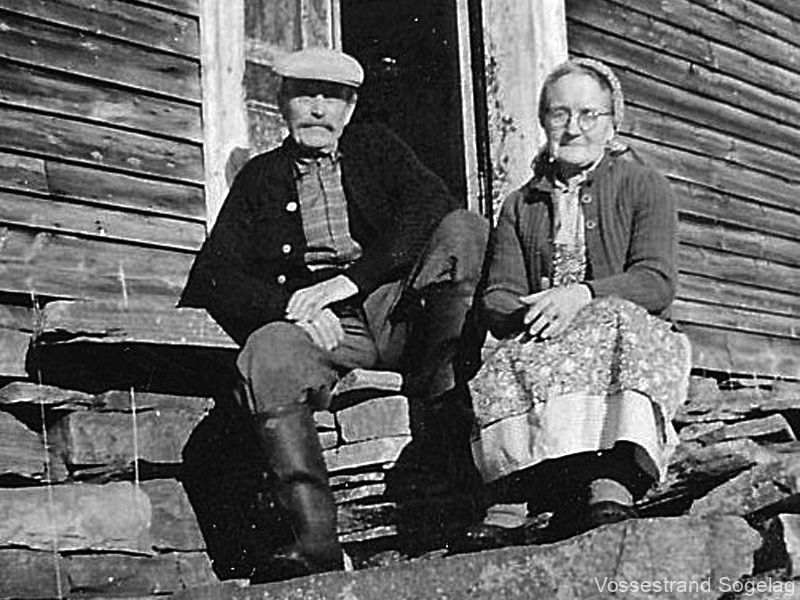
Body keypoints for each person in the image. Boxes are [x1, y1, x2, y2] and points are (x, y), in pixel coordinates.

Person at [179, 48, 488, 579]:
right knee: (268, 352)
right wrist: (289, 308)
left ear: (350, 108)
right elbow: (212, 276)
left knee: (466, 230)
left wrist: (350, 280)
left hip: (396, 311)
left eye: (334, 97)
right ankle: (314, 540)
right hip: (326, 328)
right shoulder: (260, 178)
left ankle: (446, 435)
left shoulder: (376, 148)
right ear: (282, 102)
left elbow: (434, 206)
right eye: (305, 95)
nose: (319, 109)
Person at [457, 58, 692, 552]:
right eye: (560, 113)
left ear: (612, 123)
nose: (574, 127)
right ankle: (512, 492)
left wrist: (581, 295)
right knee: (505, 353)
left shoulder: (644, 185)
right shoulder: (521, 204)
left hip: (623, 327)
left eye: (589, 114)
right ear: (544, 121)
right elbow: (497, 293)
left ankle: (612, 480)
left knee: (612, 319)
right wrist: (533, 309)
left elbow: (656, 281)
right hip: (544, 329)